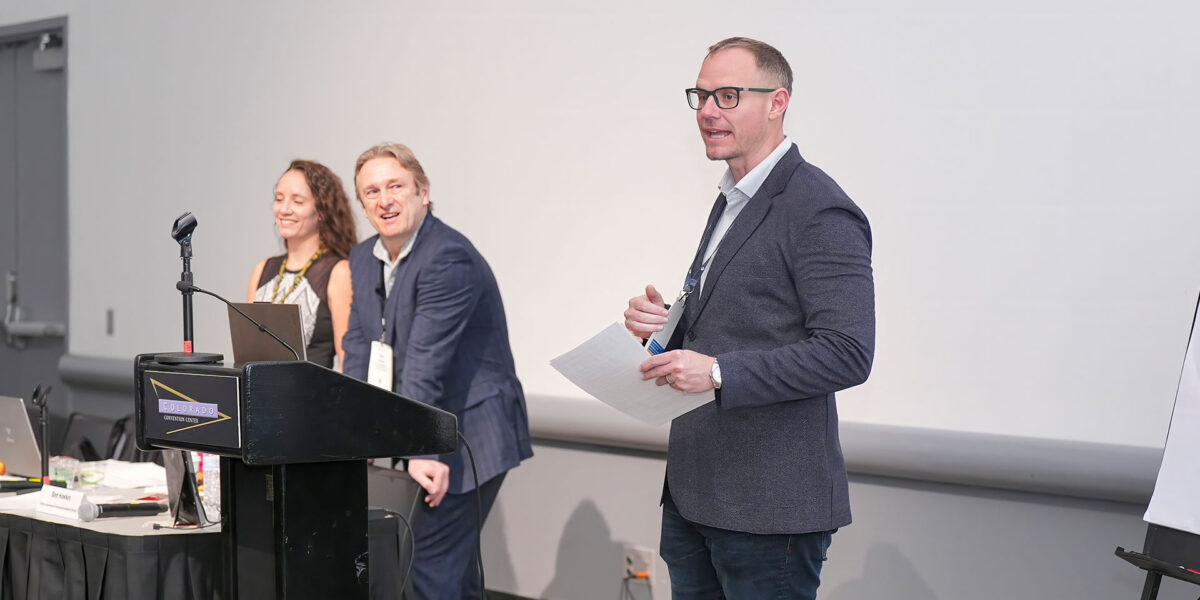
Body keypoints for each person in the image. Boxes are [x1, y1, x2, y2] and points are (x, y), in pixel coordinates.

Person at [623, 37, 875, 599]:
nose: (709, 111)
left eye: (729, 96)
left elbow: (847, 351)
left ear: (777, 102)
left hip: (768, 509)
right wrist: (666, 325)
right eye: (703, 95)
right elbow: (745, 321)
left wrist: (717, 373)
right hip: (696, 490)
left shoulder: (819, 208)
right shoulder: (733, 197)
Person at [342, 142, 533, 599]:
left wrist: (419, 447)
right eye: (371, 191)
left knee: (428, 568)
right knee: (450, 573)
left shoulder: (448, 256)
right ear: (362, 205)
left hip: (468, 432)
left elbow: (426, 363)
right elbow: (358, 347)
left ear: (423, 192)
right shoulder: (363, 257)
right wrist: (353, 432)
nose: (384, 200)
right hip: (426, 428)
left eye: (396, 186)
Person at [247, 160, 356, 370]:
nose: (284, 209)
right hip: (259, 398)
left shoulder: (339, 272)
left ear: (321, 211)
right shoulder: (262, 270)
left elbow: (348, 362)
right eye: (279, 199)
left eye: (297, 201)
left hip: (312, 399)